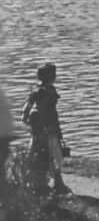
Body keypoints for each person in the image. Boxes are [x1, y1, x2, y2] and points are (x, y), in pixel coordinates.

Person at [21, 64, 67, 198]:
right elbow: (52, 113)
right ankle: (56, 183)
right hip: (48, 128)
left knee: (37, 152)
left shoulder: (36, 90)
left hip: (37, 127)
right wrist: (58, 131)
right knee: (53, 154)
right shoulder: (49, 91)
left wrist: (27, 119)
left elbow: (26, 109)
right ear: (51, 77)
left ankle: (37, 182)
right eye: (54, 74)